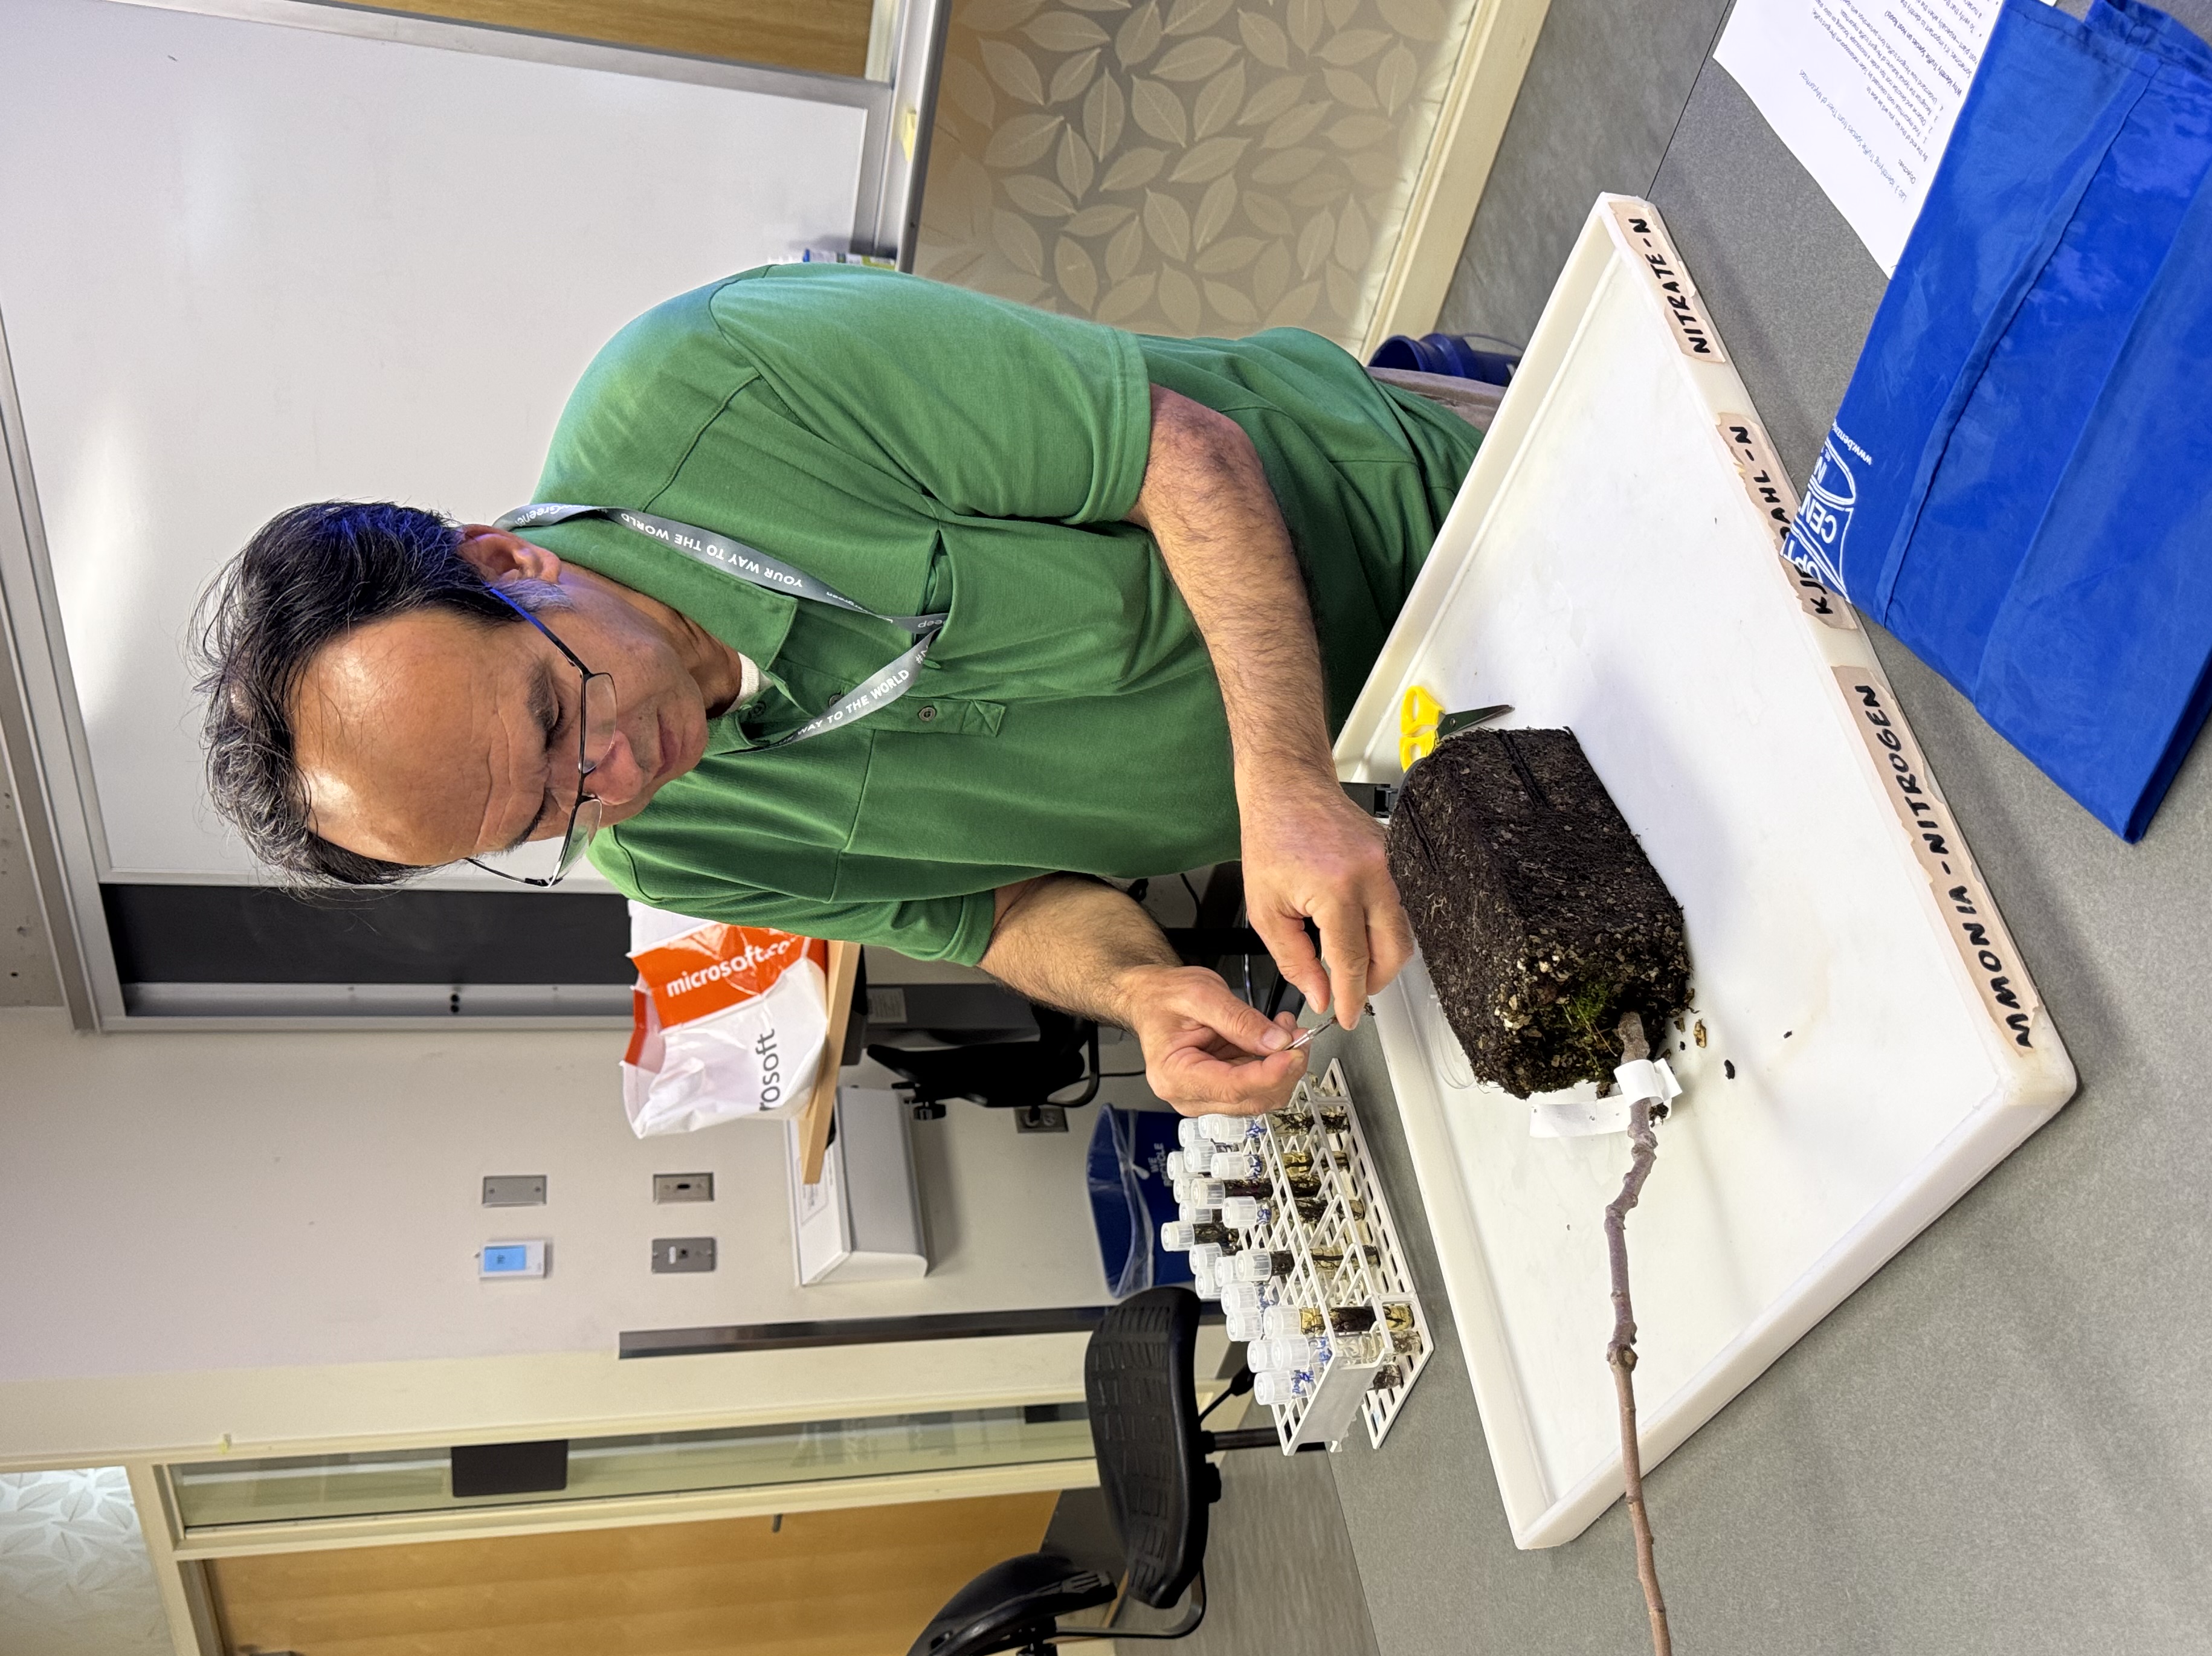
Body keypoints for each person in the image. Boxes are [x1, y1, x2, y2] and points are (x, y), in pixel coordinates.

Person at [196, 265, 1487, 1113]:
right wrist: (1139, 992)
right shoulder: (666, 854)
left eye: (554, 712)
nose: (615, 780)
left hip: (1450, 523)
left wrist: (1281, 781)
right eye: (543, 819)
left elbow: (1186, 459)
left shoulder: (709, 380)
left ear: (505, 562)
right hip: (1404, 782)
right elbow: (997, 912)